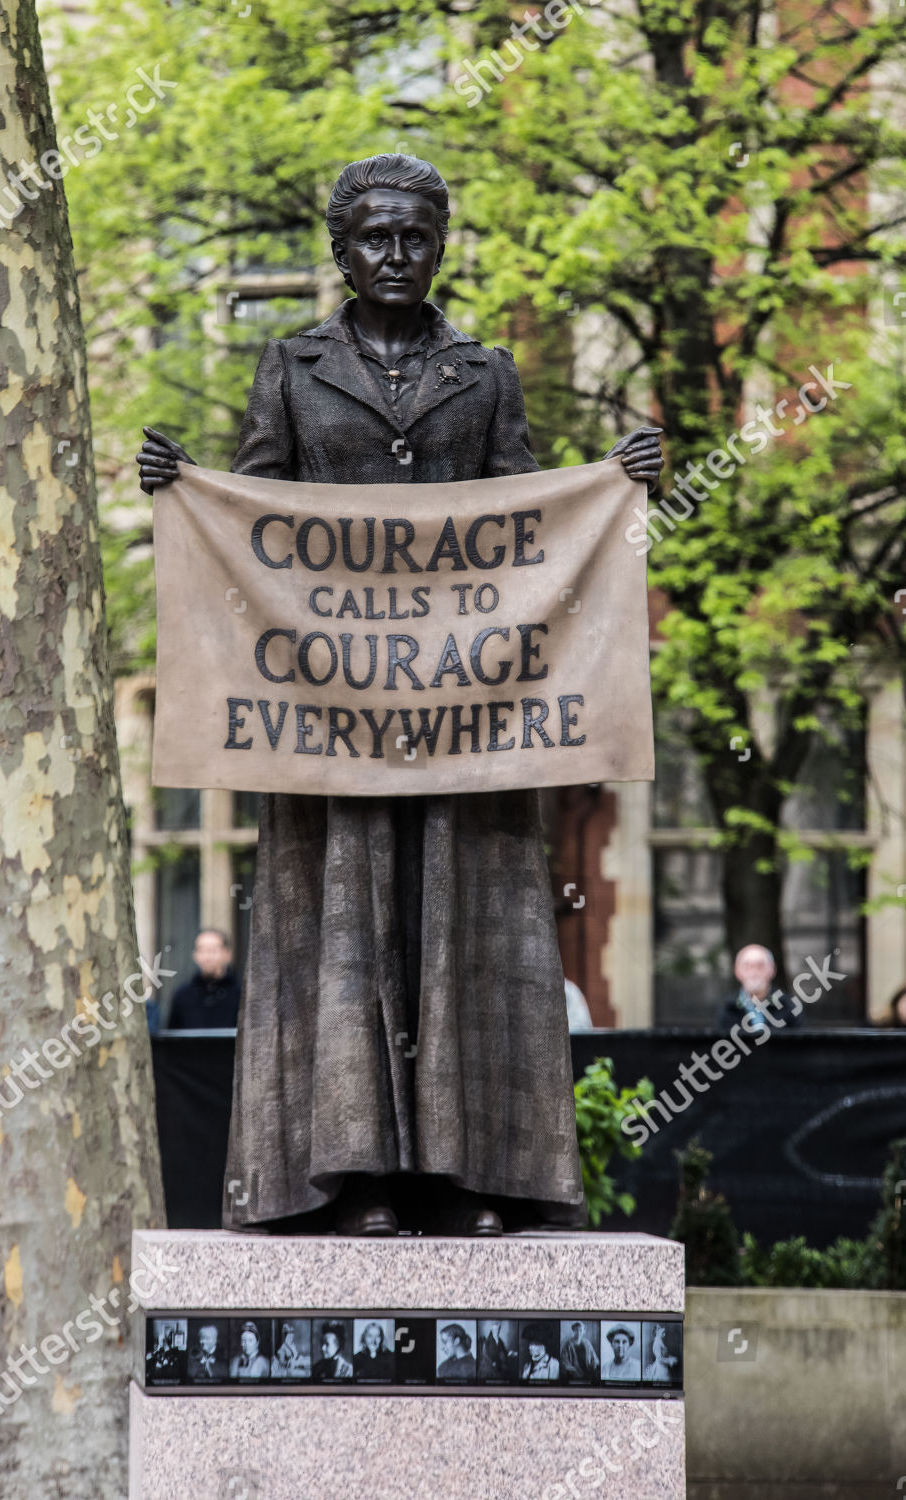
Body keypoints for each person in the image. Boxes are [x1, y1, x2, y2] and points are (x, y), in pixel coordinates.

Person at [139, 153, 663, 1237]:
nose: (394, 254)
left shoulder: (488, 373)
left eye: (414, 236)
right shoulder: (288, 369)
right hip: (329, 727)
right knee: (344, 933)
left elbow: (530, 526)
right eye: (374, 236)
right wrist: (182, 492)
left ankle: (467, 1177)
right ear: (341, 251)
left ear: (439, 245)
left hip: (467, 721)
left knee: (465, 929)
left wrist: (613, 487)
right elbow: (252, 522)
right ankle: (348, 1177)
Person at [167, 929, 242, 1030]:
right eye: (201, 950)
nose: (207, 957)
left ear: (227, 954)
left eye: (213, 951)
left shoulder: (241, 995)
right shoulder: (182, 995)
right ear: (195, 955)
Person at [717, 944, 802, 1033]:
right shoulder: (726, 1008)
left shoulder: (789, 1006)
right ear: (737, 971)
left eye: (760, 966)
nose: (754, 973)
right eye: (747, 966)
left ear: (772, 969)